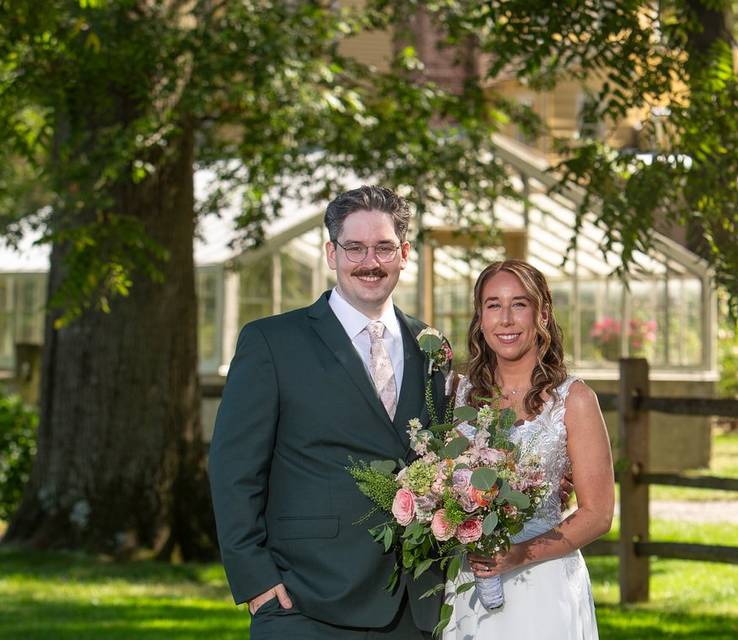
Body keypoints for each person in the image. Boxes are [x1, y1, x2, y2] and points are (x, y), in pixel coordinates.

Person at [208, 185, 446, 639]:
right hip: (303, 599)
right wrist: (255, 578)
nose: (369, 262)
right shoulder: (272, 343)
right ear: (330, 252)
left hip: (414, 604)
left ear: (405, 253)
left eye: (383, 248)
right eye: (354, 248)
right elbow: (232, 468)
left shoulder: (430, 346)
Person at [442, 260, 615, 640]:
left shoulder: (575, 399)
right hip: (469, 582)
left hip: (544, 585)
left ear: (543, 313)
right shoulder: (456, 395)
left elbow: (598, 514)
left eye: (519, 304)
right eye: (493, 305)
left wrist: (521, 554)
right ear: (480, 316)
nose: (505, 319)